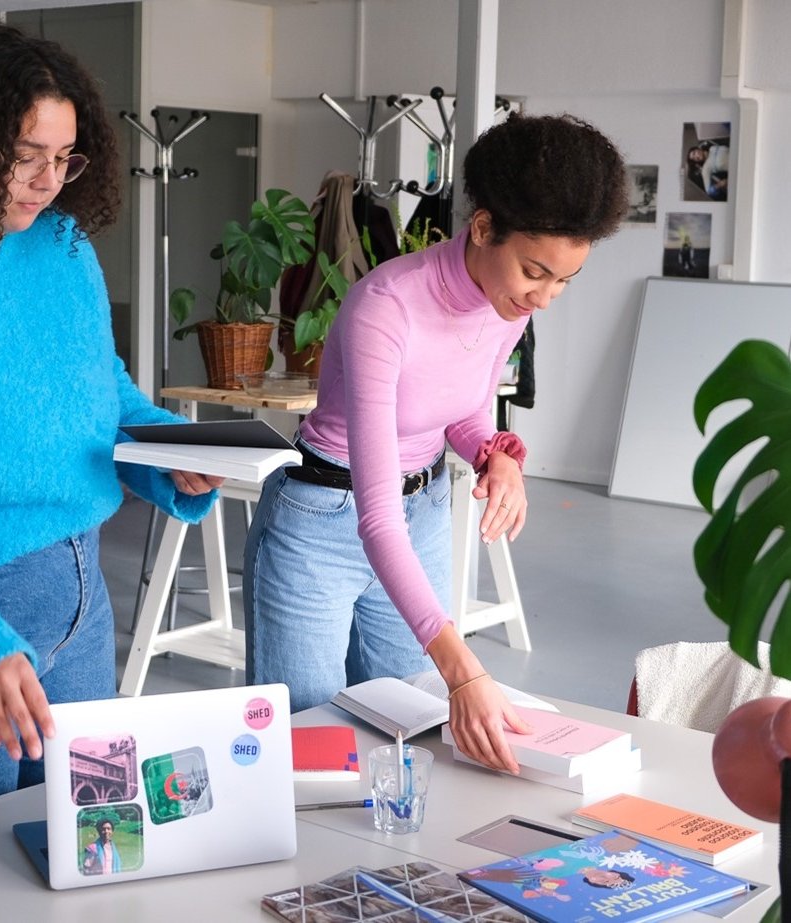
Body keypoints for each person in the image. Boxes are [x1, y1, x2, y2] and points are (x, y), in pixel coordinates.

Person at [0, 23, 222, 836]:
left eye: (66, 158)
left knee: (92, 845)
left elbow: (103, 392)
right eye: (27, 154)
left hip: (81, 606)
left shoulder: (62, 246)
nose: (49, 181)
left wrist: (170, 450)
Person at [244, 112, 627, 773]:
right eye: (536, 271)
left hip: (419, 515)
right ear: (481, 228)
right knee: (305, 748)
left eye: (564, 279)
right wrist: (464, 668)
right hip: (324, 524)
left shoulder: (505, 304)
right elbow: (374, 515)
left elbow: (461, 411)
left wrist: (496, 454)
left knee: (409, 738)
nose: (546, 296)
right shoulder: (384, 308)